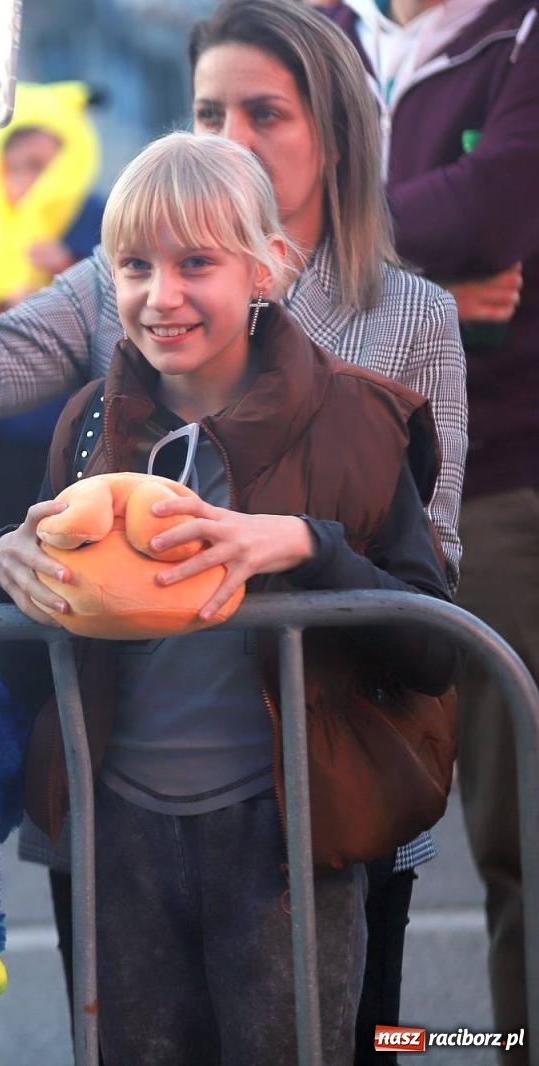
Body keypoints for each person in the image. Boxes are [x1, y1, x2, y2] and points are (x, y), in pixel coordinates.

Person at [0, 0, 468, 1048]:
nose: (160, 296)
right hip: (122, 833)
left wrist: (304, 547)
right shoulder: (92, 397)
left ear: (267, 268)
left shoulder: (379, 370)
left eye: (196, 265)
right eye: (135, 269)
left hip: (299, 824)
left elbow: (434, 626)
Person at [319, 1, 539, 1059]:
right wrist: (429, 292)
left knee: (517, 838)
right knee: (328, 836)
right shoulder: (304, 26)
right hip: (319, 498)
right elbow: (235, 225)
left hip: (498, 479)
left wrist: (329, 244)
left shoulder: (521, 28)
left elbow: (498, 205)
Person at [0, 80, 106, 532]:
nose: (29, 179)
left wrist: (68, 265)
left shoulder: (89, 212)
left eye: (43, 166)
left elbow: (120, 284)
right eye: (18, 166)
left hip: (59, 411)